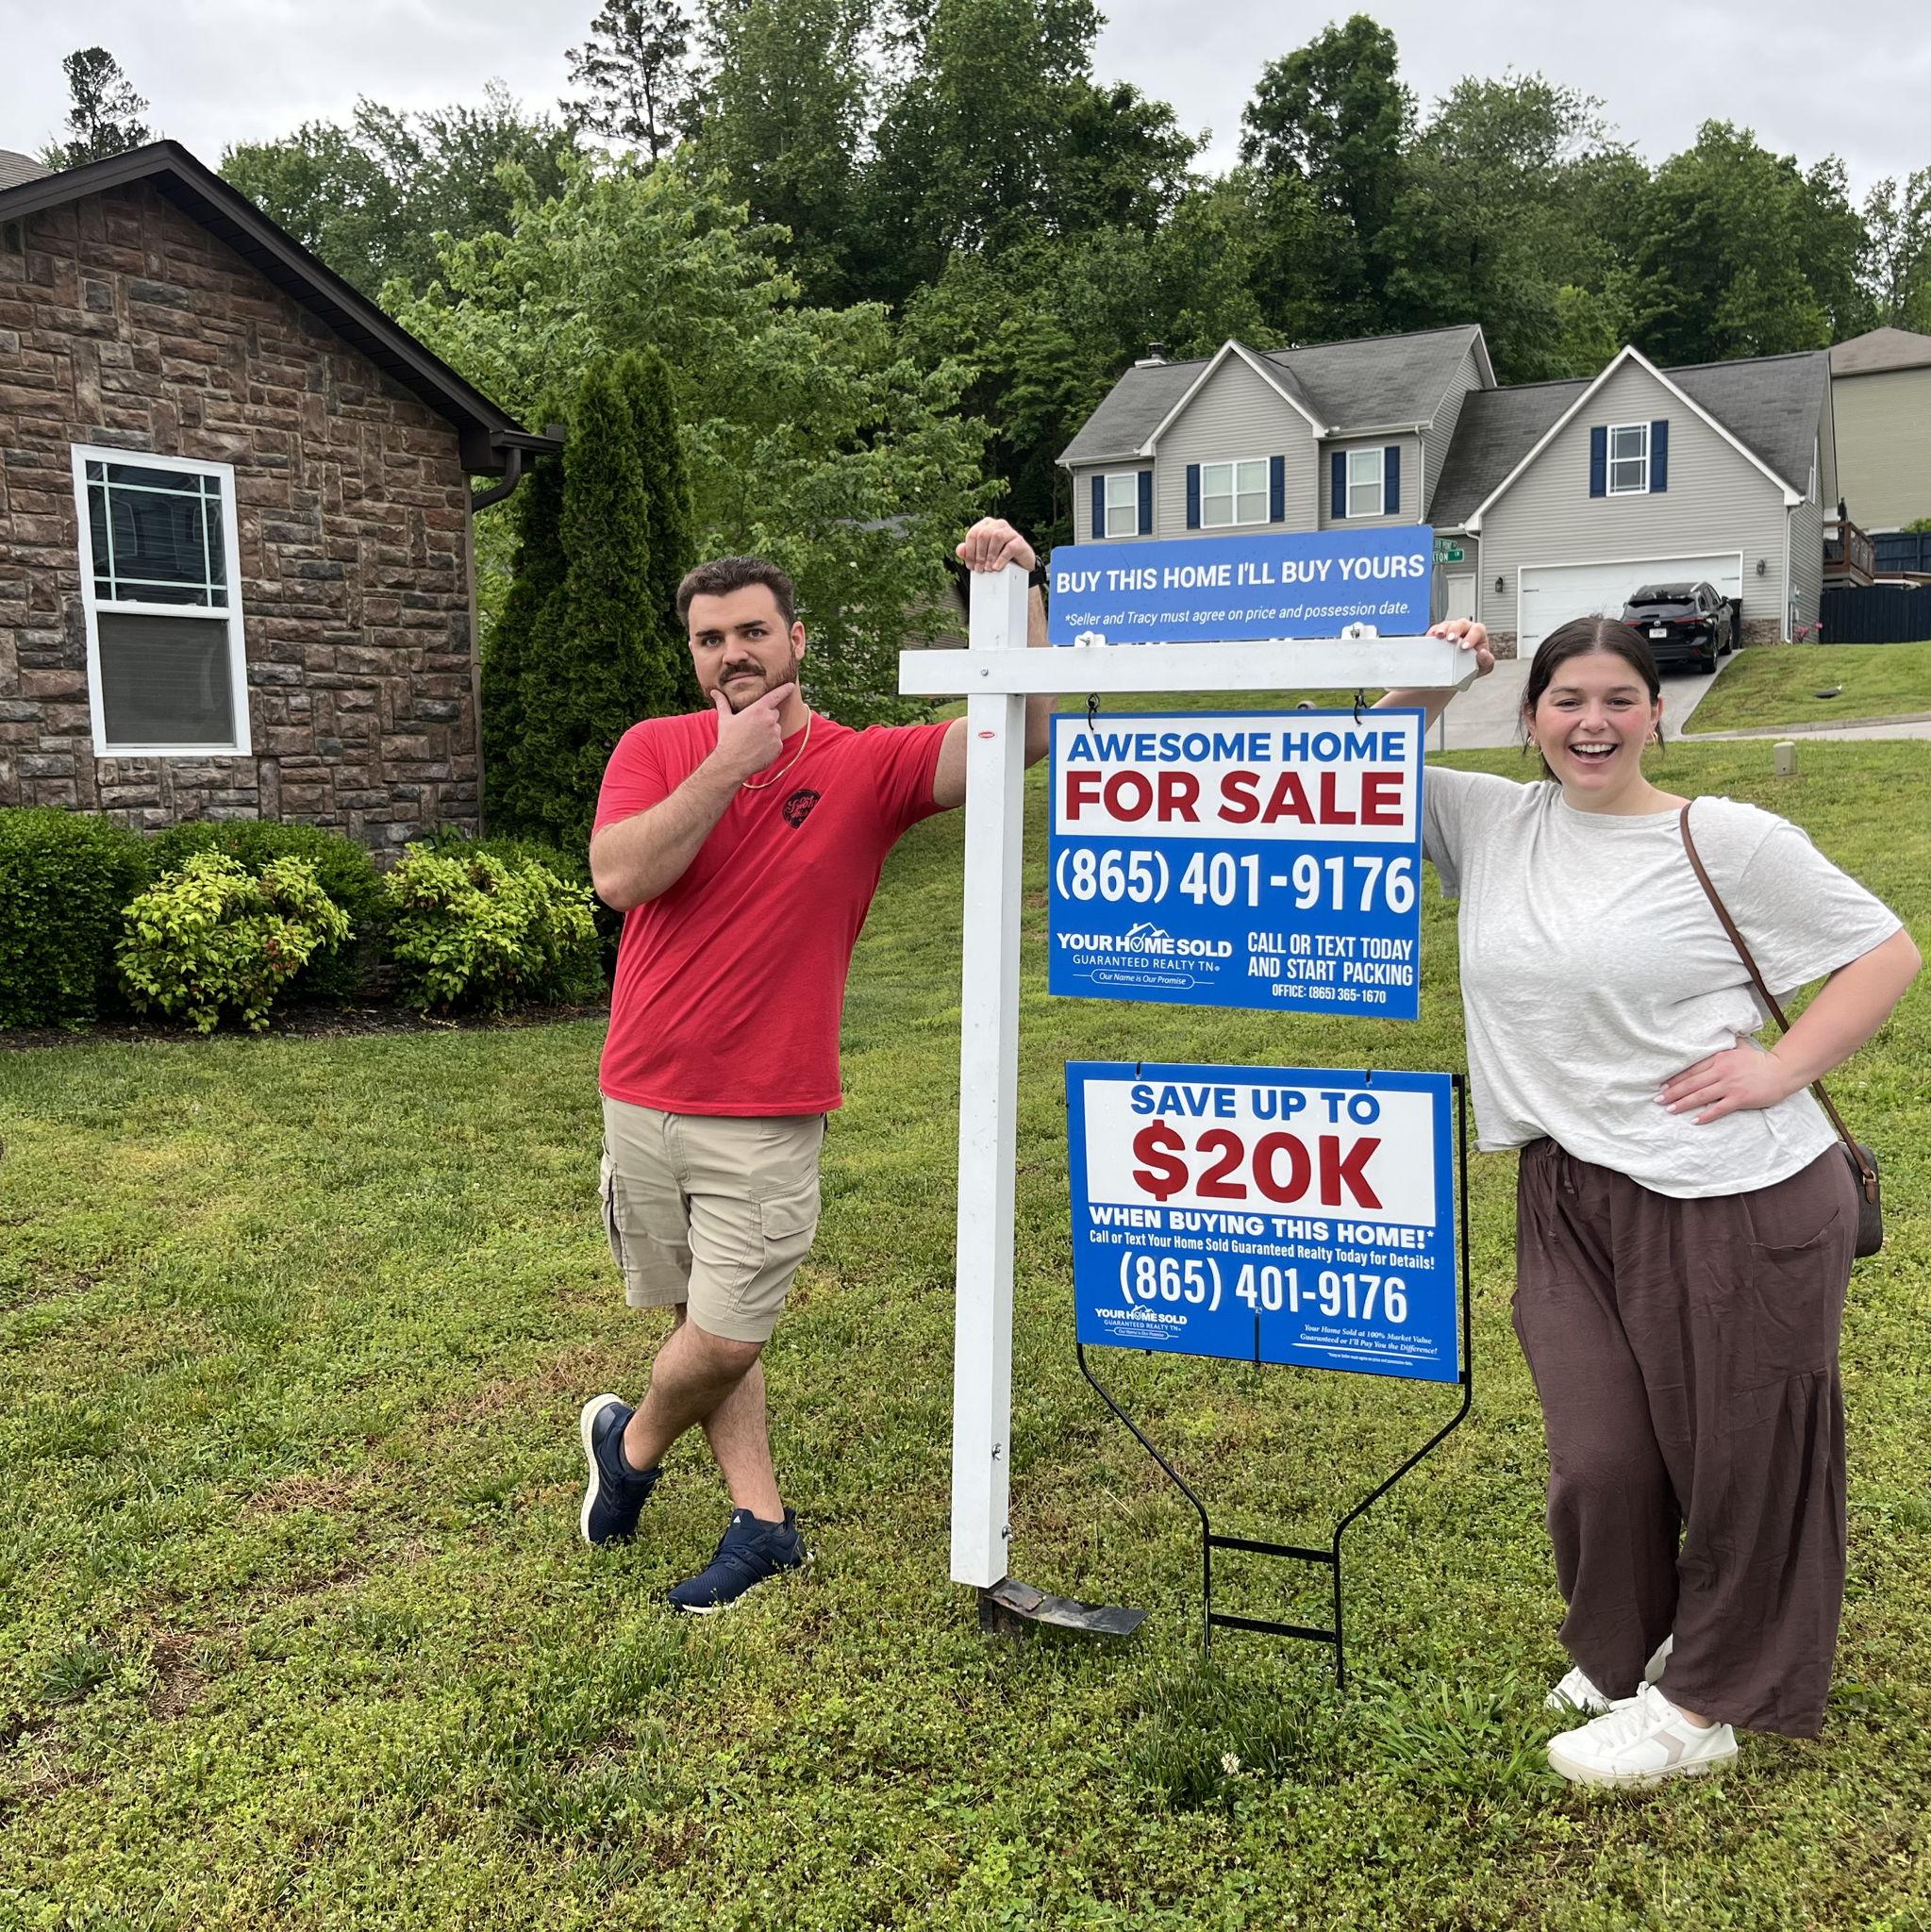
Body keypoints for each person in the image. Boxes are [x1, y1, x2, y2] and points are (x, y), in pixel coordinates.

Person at [1380, 616, 1920, 1788]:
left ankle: (1704, 1701)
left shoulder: (1722, 837)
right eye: (1566, 699)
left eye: (1619, 698)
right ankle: (1622, 1647)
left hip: (1735, 1194)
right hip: (1566, 1186)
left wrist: (1780, 1068)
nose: (1593, 722)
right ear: (1529, 714)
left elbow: (1885, 950)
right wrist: (1432, 674)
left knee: (1740, 1456)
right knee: (1600, 1453)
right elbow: (1343, 783)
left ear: (1656, 713)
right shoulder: (1489, 820)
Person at [577, 518, 1054, 1612]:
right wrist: (726, 764)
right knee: (695, 1315)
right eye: (710, 639)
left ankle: (629, 1444)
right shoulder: (654, 747)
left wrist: (1021, 585)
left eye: (752, 631)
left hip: (765, 1106)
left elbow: (1022, 731)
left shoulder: (863, 765)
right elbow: (620, 876)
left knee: (726, 1330)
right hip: (637, 1090)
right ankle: (763, 1522)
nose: (731, 653)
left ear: (797, 639)